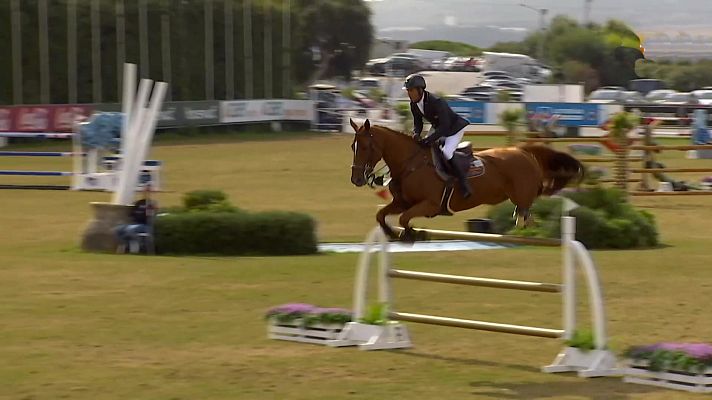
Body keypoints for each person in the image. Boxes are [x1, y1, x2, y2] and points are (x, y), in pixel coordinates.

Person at [404, 73, 471, 197]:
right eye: (408, 91)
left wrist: (429, 139)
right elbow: (418, 123)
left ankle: (463, 184)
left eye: (411, 90)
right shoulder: (413, 104)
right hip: (438, 128)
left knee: (446, 153)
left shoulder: (437, 102)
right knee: (423, 149)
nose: (409, 93)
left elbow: (445, 126)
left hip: (453, 129)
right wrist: (416, 133)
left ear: (420, 90)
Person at [116, 185, 157, 254]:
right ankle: (124, 244)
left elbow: (153, 215)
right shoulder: (138, 203)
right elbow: (131, 214)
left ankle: (136, 247)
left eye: (148, 191)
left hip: (145, 225)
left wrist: (152, 210)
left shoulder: (152, 203)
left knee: (130, 230)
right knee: (117, 229)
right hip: (134, 224)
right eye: (145, 191)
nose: (146, 193)